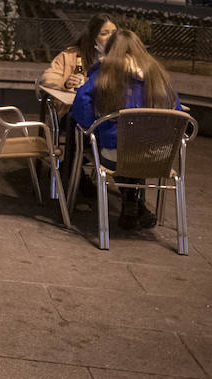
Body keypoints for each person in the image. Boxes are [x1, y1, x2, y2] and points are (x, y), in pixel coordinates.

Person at [71, 29, 183, 231]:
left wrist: (94, 130)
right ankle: (134, 205)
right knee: (137, 149)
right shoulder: (158, 75)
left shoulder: (105, 72)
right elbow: (177, 113)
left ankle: (132, 205)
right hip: (159, 156)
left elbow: (81, 104)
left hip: (117, 153)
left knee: (120, 149)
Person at [40, 14, 116, 116]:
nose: (111, 37)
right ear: (93, 37)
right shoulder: (71, 56)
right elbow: (47, 78)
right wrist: (65, 83)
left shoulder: (124, 59)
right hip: (78, 112)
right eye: (104, 33)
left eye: (114, 33)